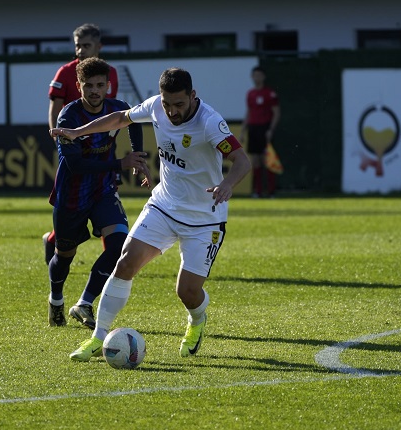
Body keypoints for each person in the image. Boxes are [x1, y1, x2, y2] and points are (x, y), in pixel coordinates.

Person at [51, 68, 251, 360]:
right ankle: (98, 338)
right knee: (126, 261)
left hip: (204, 219)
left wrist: (227, 184)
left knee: (187, 292)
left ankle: (197, 319)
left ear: (193, 96)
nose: (172, 111)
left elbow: (242, 160)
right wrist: (77, 132)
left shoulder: (210, 122)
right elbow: (121, 118)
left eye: (179, 104)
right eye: (167, 103)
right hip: (164, 206)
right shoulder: (156, 106)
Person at [47, 57, 149, 329]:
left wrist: (136, 155)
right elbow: (76, 165)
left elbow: (135, 121)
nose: (94, 91)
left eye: (100, 85)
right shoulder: (68, 116)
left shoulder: (118, 108)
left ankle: (84, 303)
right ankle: (56, 299)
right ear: (78, 86)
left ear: (108, 86)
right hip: (72, 194)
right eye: (88, 85)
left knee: (118, 245)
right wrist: (120, 163)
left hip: (103, 190)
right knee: (63, 257)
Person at [43, 22, 138, 264]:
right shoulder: (65, 72)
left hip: (103, 147)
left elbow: (112, 114)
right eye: (77, 46)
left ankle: (111, 258)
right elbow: (55, 107)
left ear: (99, 46)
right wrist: (59, 137)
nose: (80, 51)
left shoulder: (110, 72)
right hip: (74, 147)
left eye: (86, 46)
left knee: (105, 199)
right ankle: (55, 240)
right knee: (74, 201)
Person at [240, 66, 280, 198]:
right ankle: (257, 191)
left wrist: (270, 130)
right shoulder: (250, 94)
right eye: (255, 75)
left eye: (259, 75)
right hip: (253, 128)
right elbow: (248, 112)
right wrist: (243, 130)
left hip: (265, 128)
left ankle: (271, 191)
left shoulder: (270, 93)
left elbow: (276, 113)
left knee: (267, 160)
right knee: (255, 160)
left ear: (263, 77)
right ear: (252, 77)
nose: (257, 78)